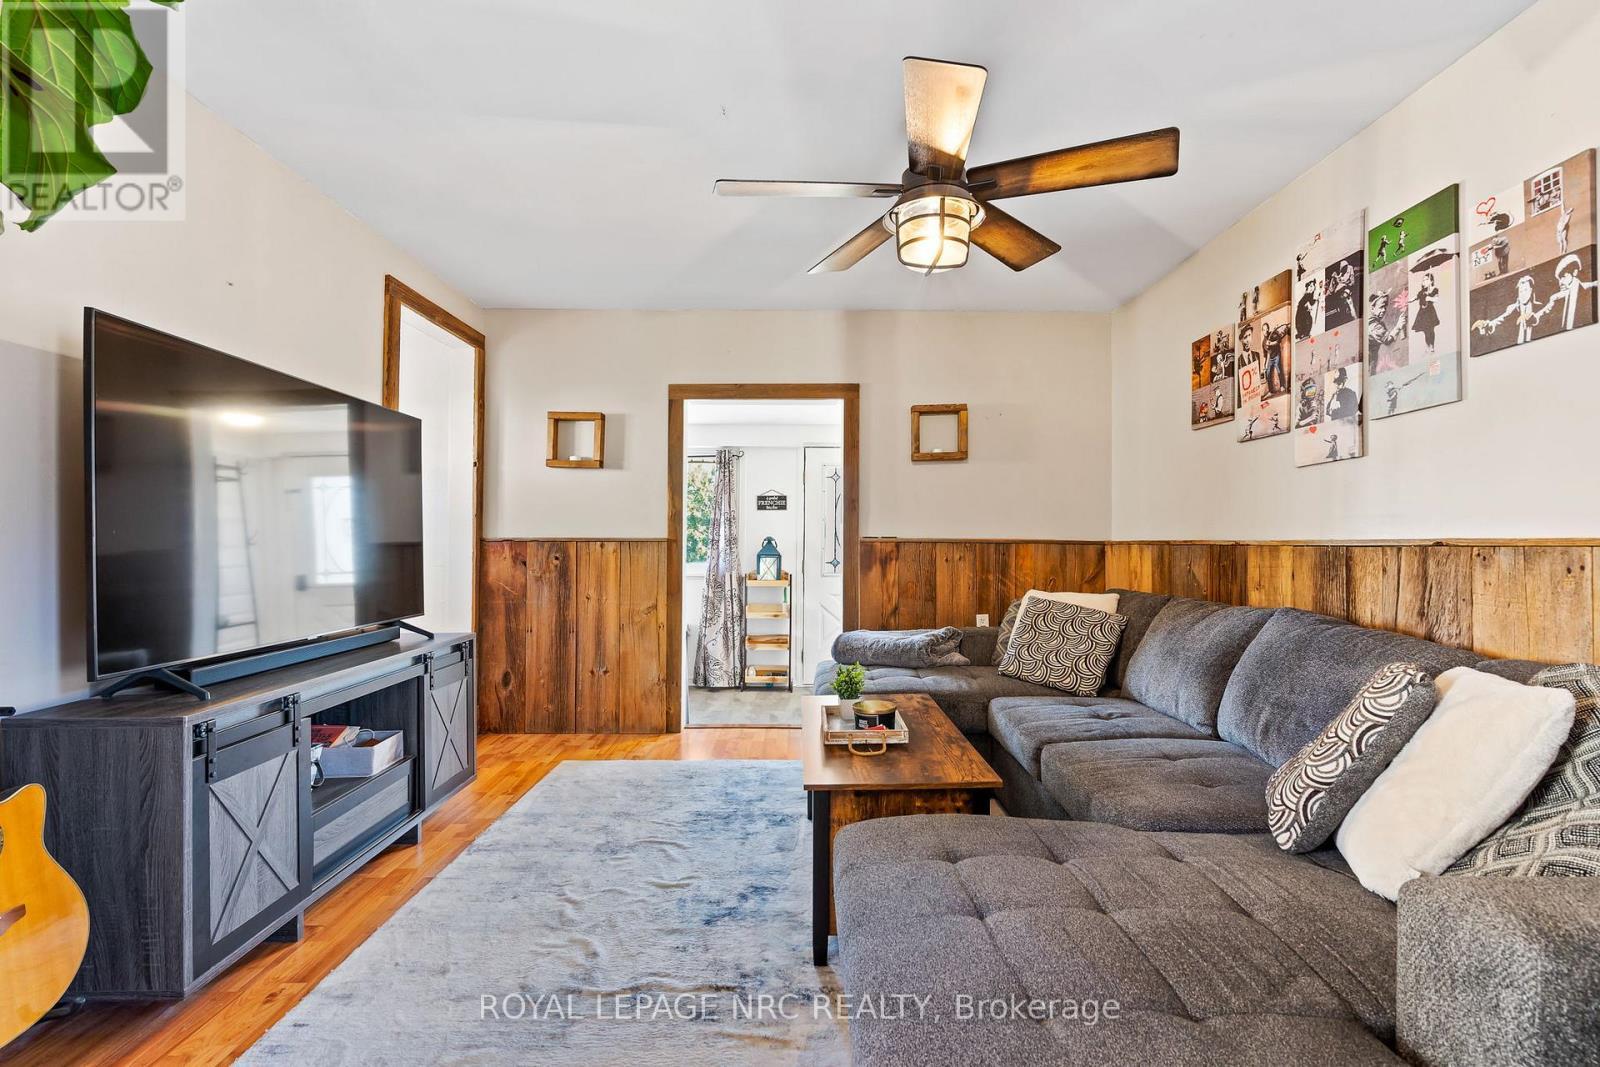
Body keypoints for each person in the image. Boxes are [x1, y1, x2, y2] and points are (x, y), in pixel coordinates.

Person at [1534, 253, 1599, 332]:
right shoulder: (1556, 298)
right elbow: (1545, 311)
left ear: (1574, 272)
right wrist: (1535, 317)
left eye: (1564, 277)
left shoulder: (1591, 287)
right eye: (1559, 279)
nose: (1560, 282)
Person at [1474, 275, 1539, 345]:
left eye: (1525, 290)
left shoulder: (1538, 307)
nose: (1523, 294)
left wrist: (1533, 318)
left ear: (1531, 290)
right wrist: (1488, 325)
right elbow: (1502, 319)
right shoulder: (1513, 308)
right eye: (1520, 291)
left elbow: (1540, 317)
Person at [1411, 271, 1442, 354]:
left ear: (1431, 281)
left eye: (1426, 279)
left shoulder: (1434, 289)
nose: (1424, 281)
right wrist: (1410, 300)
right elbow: (1416, 297)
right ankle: (1428, 346)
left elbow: (1437, 299)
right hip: (1422, 313)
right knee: (1425, 331)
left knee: (1431, 330)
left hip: (1430, 312)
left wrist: (1430, 298)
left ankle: (1432, 346)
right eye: (1423, 280)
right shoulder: (1422, 292)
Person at [1261, 321, 1291, 395]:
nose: (1266, 331)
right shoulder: (1263, 342)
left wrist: (1271, 343)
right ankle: (1271, 391)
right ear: (1262, 331)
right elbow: (1265, 355)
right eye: (1264, 330)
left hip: (1277, 355)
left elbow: (1278, 341)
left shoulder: (1273, 334)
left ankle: (1282, 386)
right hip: (1270, 358)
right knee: (1268, 373)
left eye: (1267, 329)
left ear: (1268, 329)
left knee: (1279, 370)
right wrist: (1264, 365)